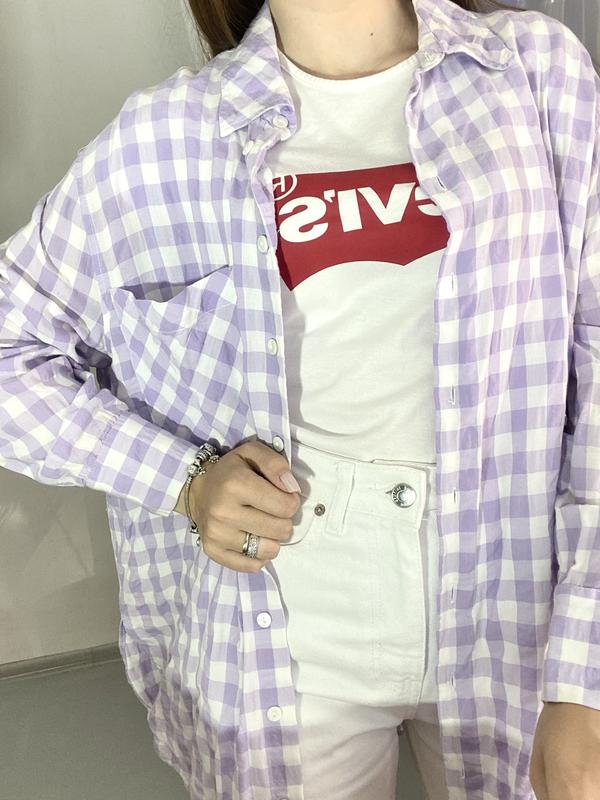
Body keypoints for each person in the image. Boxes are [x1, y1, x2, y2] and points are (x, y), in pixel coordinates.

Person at [1, 0, 599, 798]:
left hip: (516, 590)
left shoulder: (531, 72)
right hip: (287, 610)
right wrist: (183, 479)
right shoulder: (166, 136)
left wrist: (585, 676)